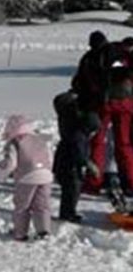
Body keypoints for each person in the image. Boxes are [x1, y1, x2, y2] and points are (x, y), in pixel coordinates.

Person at [85, 38, 133, 193]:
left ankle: (93, 182)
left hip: (103, 103)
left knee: (97, 142)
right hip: (125, 103)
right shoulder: (126, 56)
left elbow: (87, 79)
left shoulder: (97, 55)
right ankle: (129, 181)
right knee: (124, 143)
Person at [0, 115, 53, 241]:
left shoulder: (14, 142)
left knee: (22, 205)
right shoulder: (39, 138)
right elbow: (49, 156)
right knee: (42, 204)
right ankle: (44, 231)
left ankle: (20, 233)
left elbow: (11, 163)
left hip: (27, 177)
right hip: (45, 175)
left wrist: (1, 174)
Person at [53, 91, 101, 223]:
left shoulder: (69, 120)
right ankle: (68, 214)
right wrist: (90, 166)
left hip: (65, 164)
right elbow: (79, 155)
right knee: (71, 191)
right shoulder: (78, 136)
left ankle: (68, 212)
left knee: (70, 191)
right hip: (70, 168)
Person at [71, 30, 108, 113]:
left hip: (95, 94)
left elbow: (80, 75)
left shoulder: (88, 57)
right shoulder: (112, 52)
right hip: (98, 93)